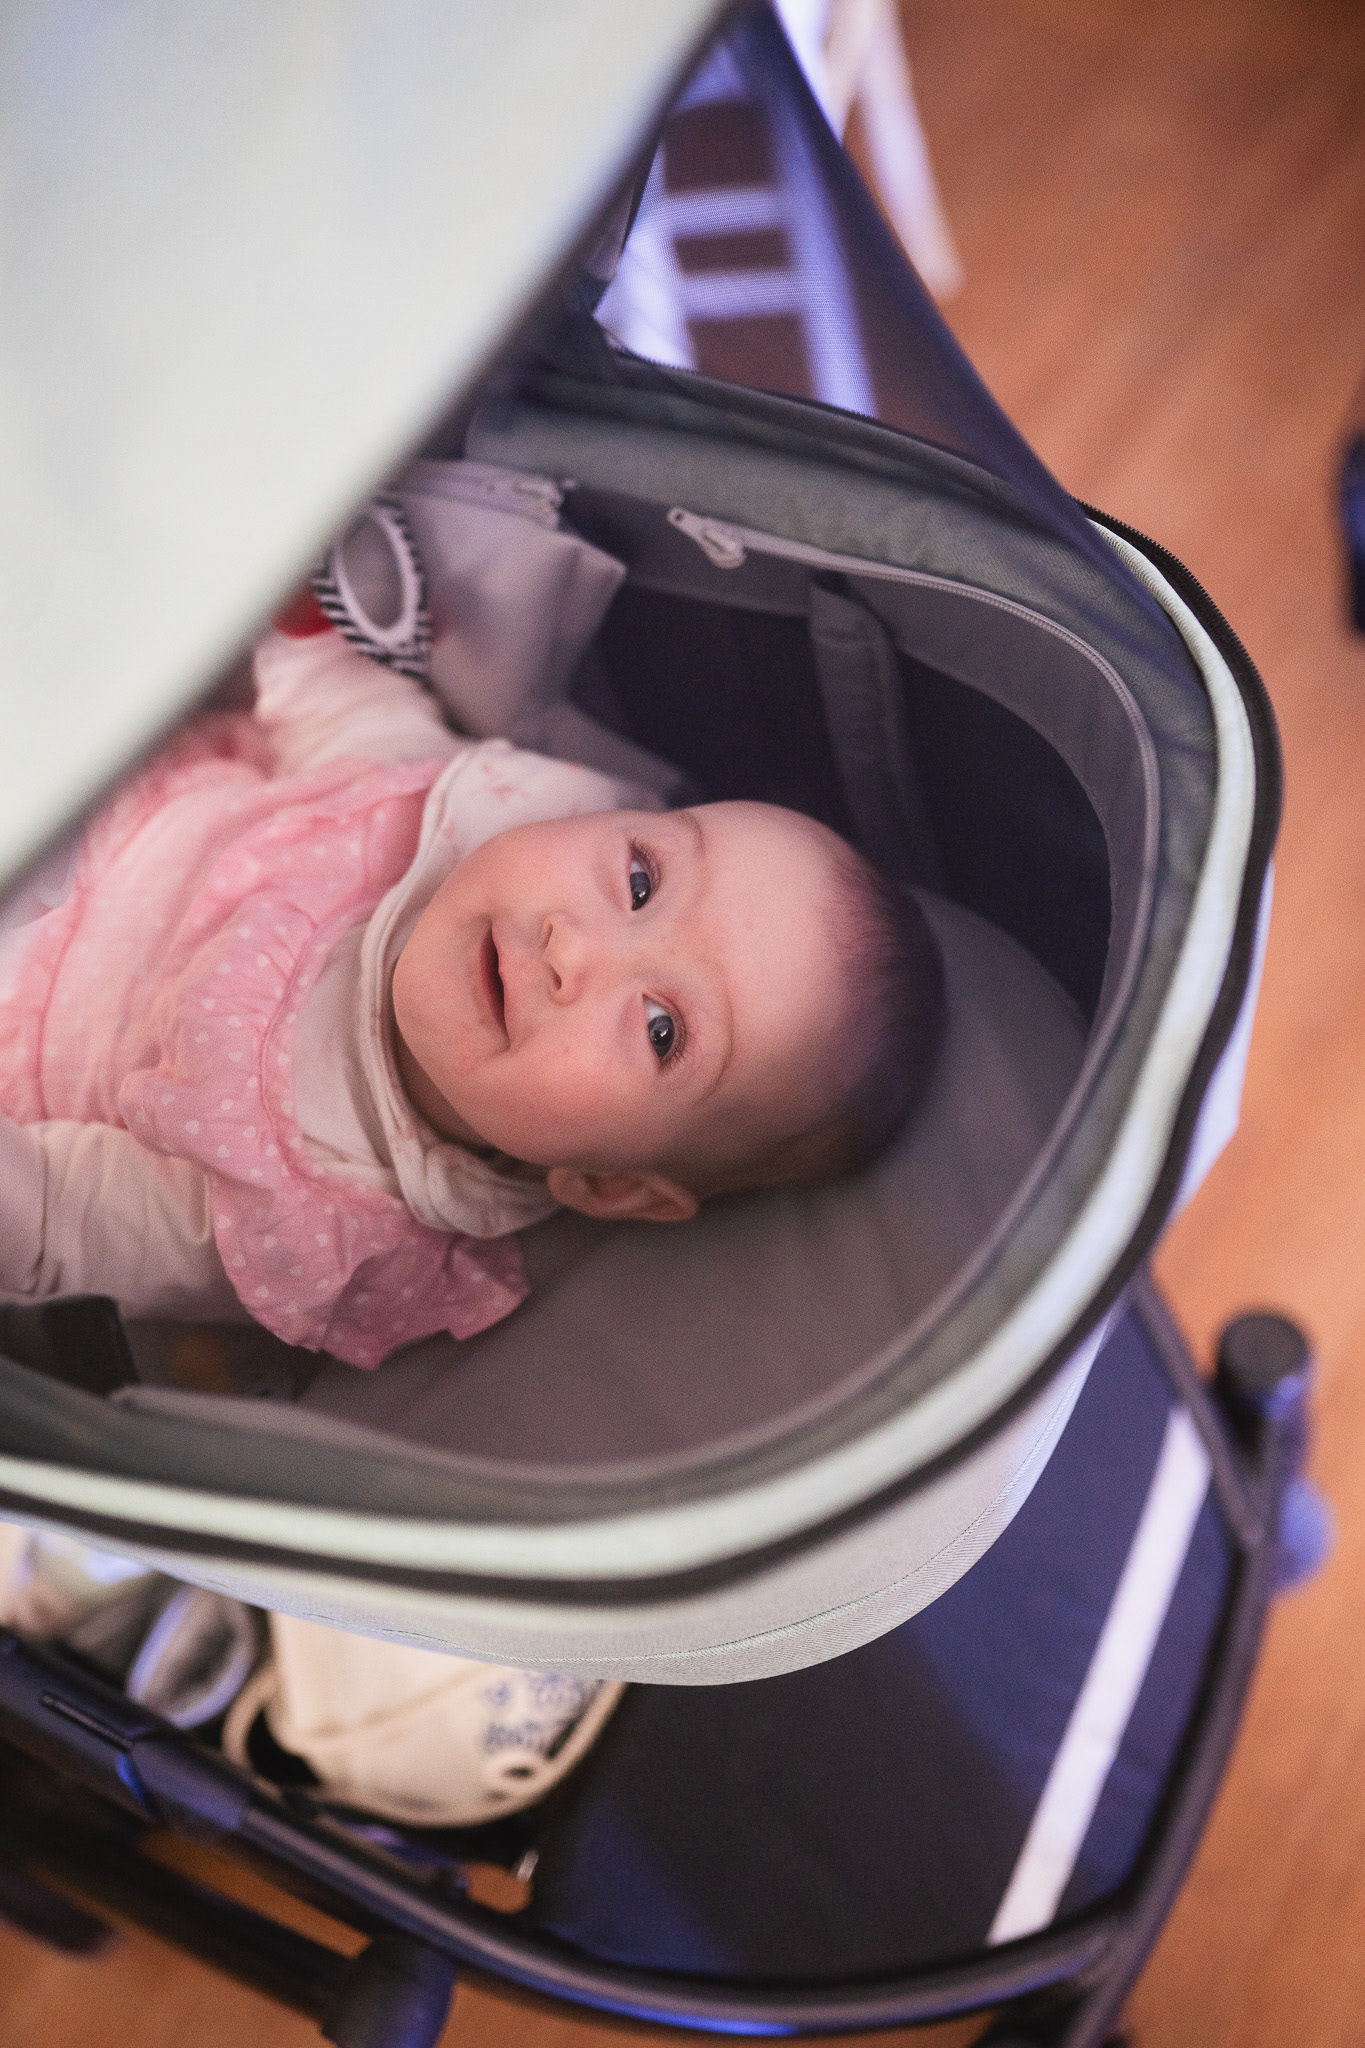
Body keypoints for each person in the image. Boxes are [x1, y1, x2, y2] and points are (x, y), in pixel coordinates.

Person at [0, 595, 942, 1372]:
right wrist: (305, 616)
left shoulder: (304, 1198)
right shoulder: (460, 819)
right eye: (640, 881)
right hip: (78, 763)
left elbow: (51, 1219)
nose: (577, 950)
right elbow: (337, 708)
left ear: (609, 1185)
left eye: (662, 1028)